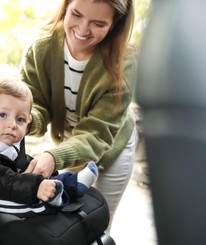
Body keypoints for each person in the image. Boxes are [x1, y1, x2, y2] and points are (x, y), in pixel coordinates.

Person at [20, 0, 137, 228]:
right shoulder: (41, 48)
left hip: (113, 147)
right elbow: (36, 104)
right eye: (76, 14)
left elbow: (96, 135)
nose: (83, 30)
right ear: (65, 7)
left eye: (98, 23)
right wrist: (24, 119)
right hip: (70, 144)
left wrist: (54, 157)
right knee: (67, 222)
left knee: (97, 224)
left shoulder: (124, 63)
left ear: (114, 24)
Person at [0, 77, 98, 218]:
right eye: (3, 115)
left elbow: (16, 162)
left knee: (34, 174)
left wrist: (43, 175)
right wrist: (36, 186)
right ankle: (44, 205)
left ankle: (70, 184)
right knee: (26, 199)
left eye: (20, 119)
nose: (12, 125)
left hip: (3, 182)